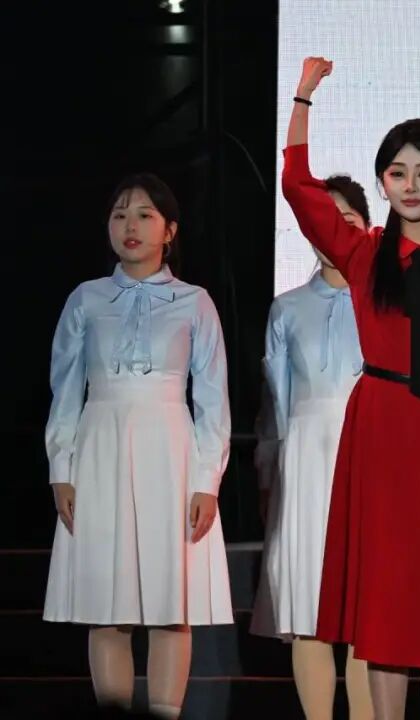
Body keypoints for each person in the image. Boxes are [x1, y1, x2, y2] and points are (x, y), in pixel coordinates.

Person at [281, 57, 420, 720]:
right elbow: (296, 186)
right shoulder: (362, 252)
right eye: (398, 172)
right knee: (385, 599)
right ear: (382, 181)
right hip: (379, 429)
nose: (410, 185)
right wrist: (303, 97)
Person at [44, 174, 233, 719]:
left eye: (145, 215)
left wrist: (207, 481)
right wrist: (62, 467)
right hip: (100, 453)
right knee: (108, 607)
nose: (131, 225)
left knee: (171, 607)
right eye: (120, 214)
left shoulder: (195, 303)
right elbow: (65, 390)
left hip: (170, 456)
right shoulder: (86, 299)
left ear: (169, 230)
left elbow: (213, 399)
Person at [251, 174, 374, 719]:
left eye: (345, 219)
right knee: (308, 609)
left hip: (371, 460)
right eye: (322, 220)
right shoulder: (287, 309)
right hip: (304, 465)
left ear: (366, 228)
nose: (333, 230)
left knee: (369, 613)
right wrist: (269, 475)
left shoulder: (386, 300)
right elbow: (274, 408)